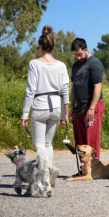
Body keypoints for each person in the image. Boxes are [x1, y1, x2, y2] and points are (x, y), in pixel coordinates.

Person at [21, 25, 70, 187]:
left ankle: (50, 168)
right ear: (53, 46)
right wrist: (65, 114)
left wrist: (24, 114)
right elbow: (65, 91)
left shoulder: (35, 64)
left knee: (39, 144)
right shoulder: (61, 65)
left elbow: (31, 90)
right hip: (56, 107)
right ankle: (48, 175)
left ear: (40, 47)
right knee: (48, 143)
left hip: (40, 106)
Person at [70, 38, 105, 162]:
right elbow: (74, 87)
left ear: (86, 49)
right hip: (79, 107)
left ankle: (94, 167)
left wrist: (92, 107)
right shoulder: (75, 66)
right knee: (80, 141)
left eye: (79, 54)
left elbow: (98, 86)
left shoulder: (94, 63)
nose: (78, 57)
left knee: (91, 139)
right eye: (75, 55)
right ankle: (84, 169)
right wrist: (72, 107)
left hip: (92, 106)